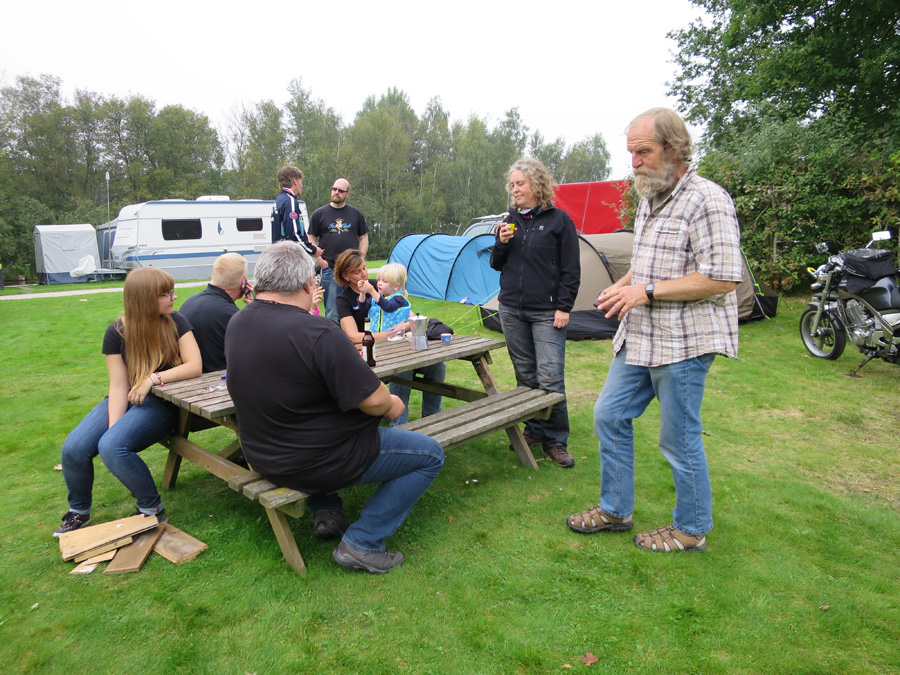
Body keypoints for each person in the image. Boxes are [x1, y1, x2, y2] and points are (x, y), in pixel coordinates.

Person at [567, 107, 743, 553]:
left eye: (643, 152)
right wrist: (623, 285)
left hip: (684, 341)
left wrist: (644, 291)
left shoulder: (707, 199)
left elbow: (723, 278)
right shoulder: (650, 196)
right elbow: (647, 262)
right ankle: (615, 510)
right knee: (609, 415)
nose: (635, 163)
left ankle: (691, 529)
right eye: (631, 153)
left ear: (674, 148)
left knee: (678, 437)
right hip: (640, 336)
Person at [224, 241, 444, 574]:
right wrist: (394, 404)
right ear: (306, 284)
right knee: (430, 454)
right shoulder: (316, 331)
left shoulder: (238, 322)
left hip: (263, 453)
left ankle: (327, 509)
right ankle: (362, 543)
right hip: (317, 459)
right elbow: (377, 400)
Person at [54, 268, 203, 536]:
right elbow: (118, 385)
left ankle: (151, 508)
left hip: (162, 403)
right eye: (167, 293)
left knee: (113, 447)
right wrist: (115, 426)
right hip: (127, 397)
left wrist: (152, 379)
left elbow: (194, 366)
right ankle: (79, 510)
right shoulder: (116, 332)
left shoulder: (176, 321)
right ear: (145, 298)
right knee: (74, 448)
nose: (174, 297)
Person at [489, 158, 581, 468]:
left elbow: (571, 269)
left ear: (537, 185)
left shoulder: (559, 221)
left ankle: (556, 441)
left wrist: (564, 306)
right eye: (512, 184)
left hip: (547, 312)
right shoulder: (510, 221)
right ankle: (534, 430)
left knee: (550, 377)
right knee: (526, 376)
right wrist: (501, 243)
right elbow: (496, 263)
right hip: (511, 309)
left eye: (521, 184)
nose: (515, 189)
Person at [367, 262, 445, 427]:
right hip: (376, 351)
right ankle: (399, 423)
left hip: (397, 347)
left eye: (384, 281)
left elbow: (403, 312)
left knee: (438, 365)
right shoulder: (369, 296)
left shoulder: (392, 297)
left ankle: (431, 415)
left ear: (396, 286)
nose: (378, 283)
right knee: (403, 370)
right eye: (378, 280)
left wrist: (406, 324)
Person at [308, 178, 369, 322]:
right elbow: (311, 238)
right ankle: (333, 336)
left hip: (353, 270)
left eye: (341, 190)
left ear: (348, 194)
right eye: (334, 189)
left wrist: (360, 259)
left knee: (357, 307)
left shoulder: (356, 214)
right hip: (330, 268)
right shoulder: (319, 214)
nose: (336, 192)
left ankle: (355, 335)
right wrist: (320, 261)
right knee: (332, 311)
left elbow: (364, 238)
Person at [178, 252, 250, 372]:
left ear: (213, 275)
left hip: (193, 376)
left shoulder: (189, 302)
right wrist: (258, 309)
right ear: (243, 284)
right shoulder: (232, 315)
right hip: (219, 378)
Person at [272, 166, 325, 266]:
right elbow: (294, 235)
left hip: (279, 257)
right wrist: (313, 250)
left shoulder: (279, 200)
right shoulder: (290, 201)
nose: (302, 185)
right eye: (301, 181)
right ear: (295, 181)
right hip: (289, 259)